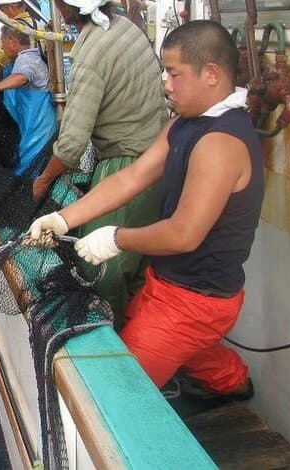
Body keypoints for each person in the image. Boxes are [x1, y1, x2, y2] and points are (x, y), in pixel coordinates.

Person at [28, 20, 263, 399]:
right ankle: (233, 383)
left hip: (196, 301)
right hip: (168, 283)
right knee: (172, 337)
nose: (165, 84)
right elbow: (131, 177)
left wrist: (116, 238)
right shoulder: (185, 125)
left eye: (173, 73)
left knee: (117, 393)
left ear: (211, 75)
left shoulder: (220, 143)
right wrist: (63, 218)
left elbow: (185, 233)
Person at [32, 0, 168, 327]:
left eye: (57, 1)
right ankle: (143, 338)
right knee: (139, 266)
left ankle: (116, 344)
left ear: (65, 7)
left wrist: (43, 181)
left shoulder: (91, 55)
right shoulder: (126, 28)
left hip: (127, 165)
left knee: (104, 268)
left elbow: (73, 144)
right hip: (161, 158)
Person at [0, 25, 56, 175]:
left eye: (3, 42)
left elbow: (22, 77)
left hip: (39, 130)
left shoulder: (27, 58)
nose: (1, 47)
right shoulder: (26, 58)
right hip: (29, 127)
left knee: (29, 169)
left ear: (13, 42)